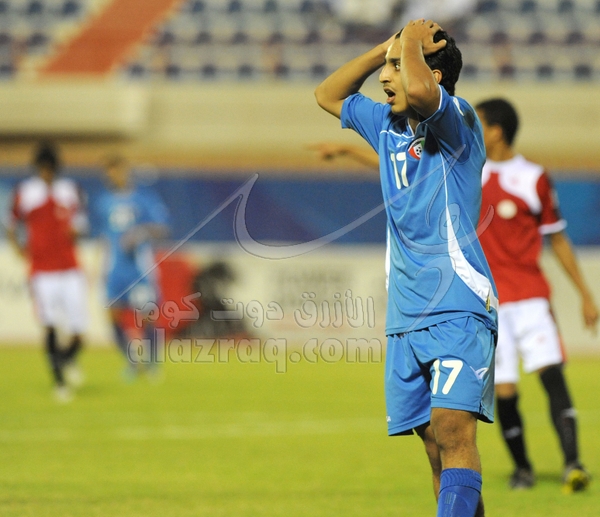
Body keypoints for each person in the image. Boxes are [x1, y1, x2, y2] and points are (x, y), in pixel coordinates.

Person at [315, 19, 498, 517]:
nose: (384, 77)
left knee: (454, 431)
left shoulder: (458, 121)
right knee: (436, 450)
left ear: (432, 75)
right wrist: (385, 48)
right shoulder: (387, 126)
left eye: (395, 67)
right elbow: (328, 94)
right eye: (386, 67)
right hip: (405, 315)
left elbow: (419, 91)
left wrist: (412, 43)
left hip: (458, 303)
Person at [475, 98, 598, 493]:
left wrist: (585, 294)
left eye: (477, 122)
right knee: (505, 390)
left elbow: (557, 239)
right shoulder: (467, 171)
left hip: (530, 299)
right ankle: (523, 470)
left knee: (552, 376)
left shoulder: (533, 177)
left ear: (496, 131)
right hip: (491, 305)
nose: (471, 128)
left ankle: (573, 464)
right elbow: (409, 171)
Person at [7, 142, 88, 402]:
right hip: (42, 270)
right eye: (43, 168)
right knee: (50, 324)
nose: (46, 173)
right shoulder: (26, 192)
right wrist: (18, 248)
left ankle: (64, 360)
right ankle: (59, 381)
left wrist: (75, 232)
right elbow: (11, 223)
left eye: (50, 168)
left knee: (79, 332)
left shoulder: (70, 190)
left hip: (69, 267)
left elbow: (81, 224)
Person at [95, 155, 169, 380]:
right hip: (115, 267)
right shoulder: (103, 202)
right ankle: (131, 362)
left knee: (148, 315)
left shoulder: (144, 199)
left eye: (116, 171)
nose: (113, 176)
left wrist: (141, 232)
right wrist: (99, 265)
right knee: (112, 314)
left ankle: (153, 364)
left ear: (126, 171)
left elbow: (163, 228)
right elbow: (103, 237)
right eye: (109, 173)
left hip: (139, 268)